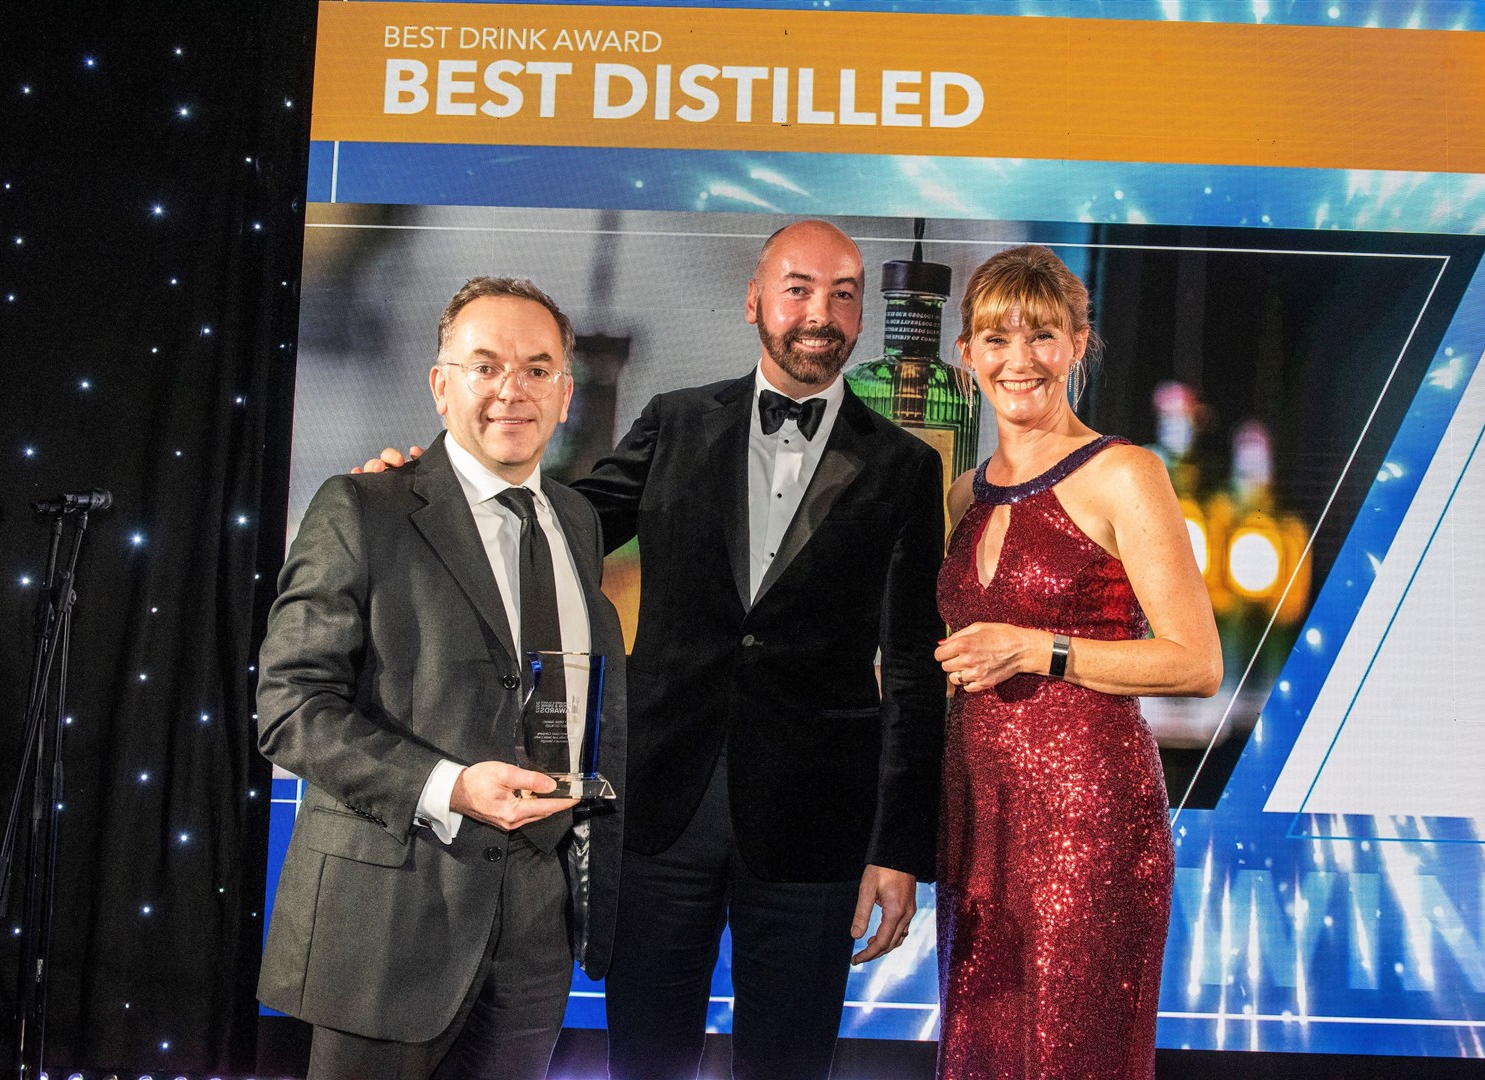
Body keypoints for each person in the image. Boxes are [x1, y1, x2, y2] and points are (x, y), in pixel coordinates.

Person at [364, 221, 946, 1079]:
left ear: (860, 317)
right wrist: (434, 492)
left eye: (843, 293)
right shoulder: (676, 421)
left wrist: (899, 848)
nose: (819, 312)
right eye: (798, 288)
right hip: (660, 807)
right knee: (644, 1059)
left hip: (815, 824)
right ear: (754, 301)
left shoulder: (901, 465)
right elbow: (561, 526)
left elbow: (911, 667)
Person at [257, 277, 626, 1080]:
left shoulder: (578, 521)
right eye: (485, 365)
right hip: (390, 922)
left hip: (534, 933)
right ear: (440, 383)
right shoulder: (361, 507)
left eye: (537, 369)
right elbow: (289, 707)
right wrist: (452, 787)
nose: (511, 391)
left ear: (566, 392)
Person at [933, 245, 1222, 1079]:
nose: (1017, 360)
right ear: (967, 355)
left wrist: (1037, 649)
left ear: (1079, 344)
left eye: (1042, 336)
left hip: (1089, 822)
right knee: (981, 1052)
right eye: (995, 339)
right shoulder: (963, 494)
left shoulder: (1124, 473)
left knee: (1073, 1055)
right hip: (979, 820)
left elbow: (1196, 662)